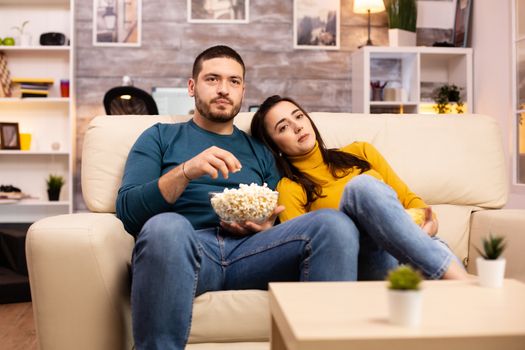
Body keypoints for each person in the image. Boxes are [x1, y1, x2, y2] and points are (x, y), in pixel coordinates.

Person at [116, 46, 361, 350]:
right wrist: (186, 170)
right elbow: (127, 212)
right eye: (212, 79)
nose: (223, 89)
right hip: (189, 248)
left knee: (333, 224)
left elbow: (279, 210)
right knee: (166, 227)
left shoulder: (261, 149)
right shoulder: (160, 137)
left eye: (234, 82)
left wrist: (266, 224)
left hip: (253, 251)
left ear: (243, 90)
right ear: (192, 87)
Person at [250, 95, 469, 281]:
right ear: (274, 146)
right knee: (361, 187)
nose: (297, 126)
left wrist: (425, 229)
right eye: (284, 127)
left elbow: (412, 202)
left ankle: (452, 277)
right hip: (371, 262)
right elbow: (301, 251)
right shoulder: (290, 188)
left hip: (422, 244)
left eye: (298, 116)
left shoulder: (361, 152)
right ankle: (459, 279)